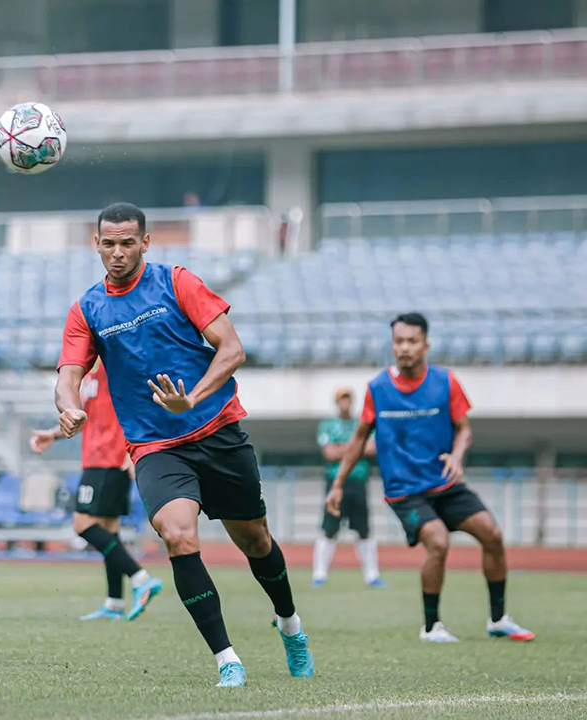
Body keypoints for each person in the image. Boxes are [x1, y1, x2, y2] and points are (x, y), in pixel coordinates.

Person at [55, 202, 313, 688]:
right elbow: (69, 376)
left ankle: (290, 626)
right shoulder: (86, 308)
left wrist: (190, 398)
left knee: (255, 540)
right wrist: (67, 407)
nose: (117, 252)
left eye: (127, 242)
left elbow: (232, 349)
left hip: (218, 432)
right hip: (155, 446)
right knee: (177, 535)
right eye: (108, 243)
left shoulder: (177, 282)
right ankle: (227, 659)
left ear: (145, 243)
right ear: (96, 244)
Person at [326, 313, 535, 644]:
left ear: (426, 345)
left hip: (445, 484)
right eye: (398, 342)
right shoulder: (377, 389)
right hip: (405, 491)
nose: (404, 347)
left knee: (492, 535)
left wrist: (456, 455)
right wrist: (338, 483)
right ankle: (431, 626)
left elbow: (464, 429)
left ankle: (498, 619)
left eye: (411, 341)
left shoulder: (446, 382)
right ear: (392, 346)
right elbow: (357, 440)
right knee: (438, 541)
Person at [30, 359, 162, 622]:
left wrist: (132, 448)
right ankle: (114, 604)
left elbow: (139, 404)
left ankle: (141, 578)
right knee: (109, 531)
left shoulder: (113, 365)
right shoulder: (86, 373)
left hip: (108, 459)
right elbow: (84, 419)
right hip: (98, 458)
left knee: (83, 525)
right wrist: (54, 435)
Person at [312, 387, 385, 589]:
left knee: (364, 529)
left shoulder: (361, 423)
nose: (345, 403)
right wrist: (355, 448)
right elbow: (329, 453)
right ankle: (319, 575)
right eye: (341, 399)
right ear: (337, 403)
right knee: (329, 528)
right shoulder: (328, 424)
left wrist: (342, 448)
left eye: (347, 399)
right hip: (334, 482)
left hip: (358, 481)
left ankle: (372, 575)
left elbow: (373, 448)